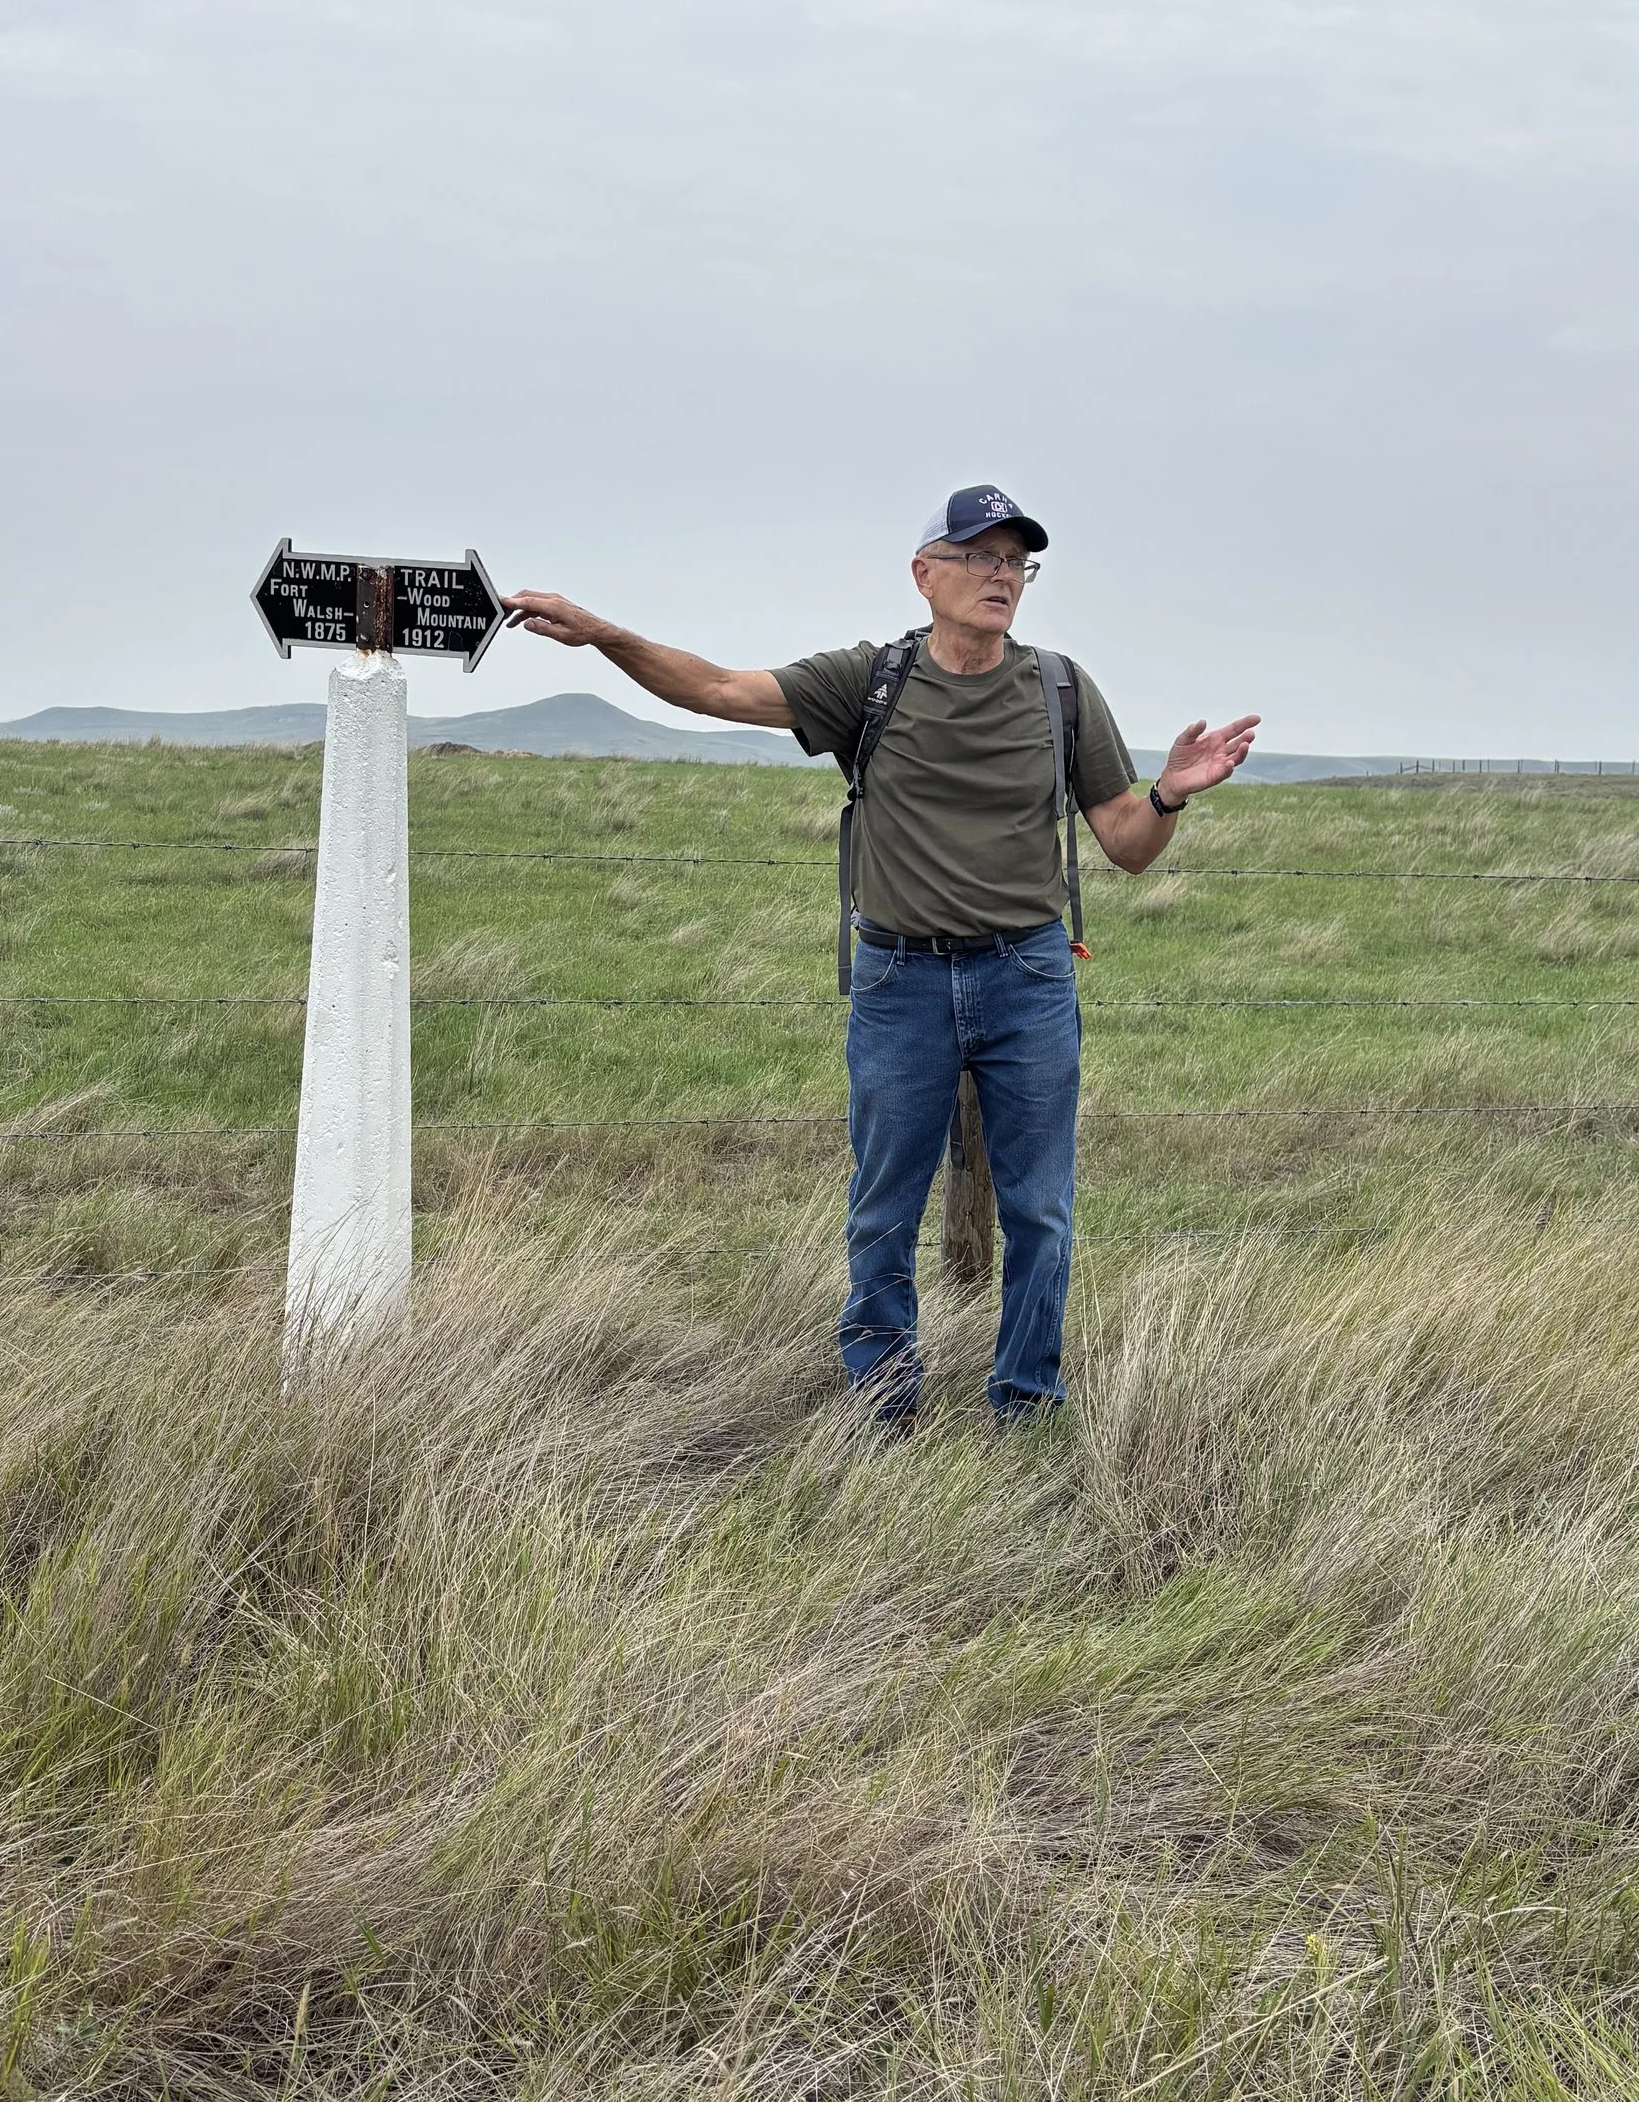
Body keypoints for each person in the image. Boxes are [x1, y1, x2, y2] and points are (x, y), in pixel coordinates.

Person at [505, 487, 1258, 1423]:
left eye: (1015, 560)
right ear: (924, 572)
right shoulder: (869, 681)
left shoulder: (1061, 689)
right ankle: (882, 1402)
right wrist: (600, 633)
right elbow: (715, 688)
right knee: (882, 1209)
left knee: (1041, 1212)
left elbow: (1125, 842)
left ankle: (1026, 1402)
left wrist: (1171, 794)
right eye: (979, 555)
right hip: (900, 979)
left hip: (1028, 976)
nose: (1001, 574)